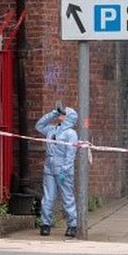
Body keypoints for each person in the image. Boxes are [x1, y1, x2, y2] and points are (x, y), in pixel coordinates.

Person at [36, 102, 79, 238]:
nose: (61, 114)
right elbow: (39, 125)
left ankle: (72, 225)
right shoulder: (52, 129)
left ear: (69, 118)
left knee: (67, 198)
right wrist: (53, 113)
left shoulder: (71, 134)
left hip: (63, 170)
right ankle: (45, 224)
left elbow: (70, 155)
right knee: (48, 198)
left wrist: (65, 170)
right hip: (49, 167)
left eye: (63, 113)